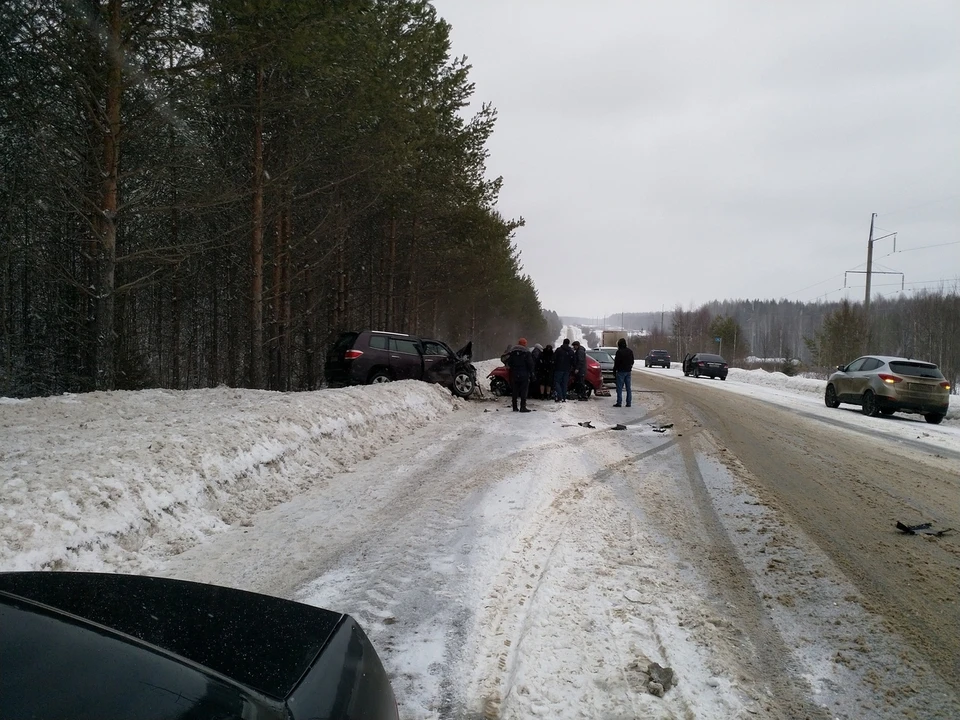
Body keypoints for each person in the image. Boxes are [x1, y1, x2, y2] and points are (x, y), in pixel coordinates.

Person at [504, 337, 535, 412]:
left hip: (514, 374)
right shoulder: (526, 352)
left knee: (515, 390)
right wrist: (531, 372)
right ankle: (522, 407)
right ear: (525, 344)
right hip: (524, 374)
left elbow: (509, 362)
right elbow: (530, 364)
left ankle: (514, 406)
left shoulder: (513, 352)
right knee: (524, 391)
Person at [613, 337, 635, 407]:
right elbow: (632, 361)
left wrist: (614, 370)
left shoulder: (619, 352)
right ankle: (628, 403)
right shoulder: (630, 351)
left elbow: (616, 362)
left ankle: (619, 402)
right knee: (628, 388)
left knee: (619, 388)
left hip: (621, 371)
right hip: (628, 371)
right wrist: (630, 366)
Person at [552, 338, 576, 403]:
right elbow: (573, 361)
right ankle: (564, 397)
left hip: (558, 369)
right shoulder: (571, 351)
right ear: (568, 343)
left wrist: (554, 366)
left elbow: (554, 359)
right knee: (564, 384)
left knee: (557, 382)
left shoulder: (559, 350)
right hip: (567, 370)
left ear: (563, 342)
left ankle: (559, 396)